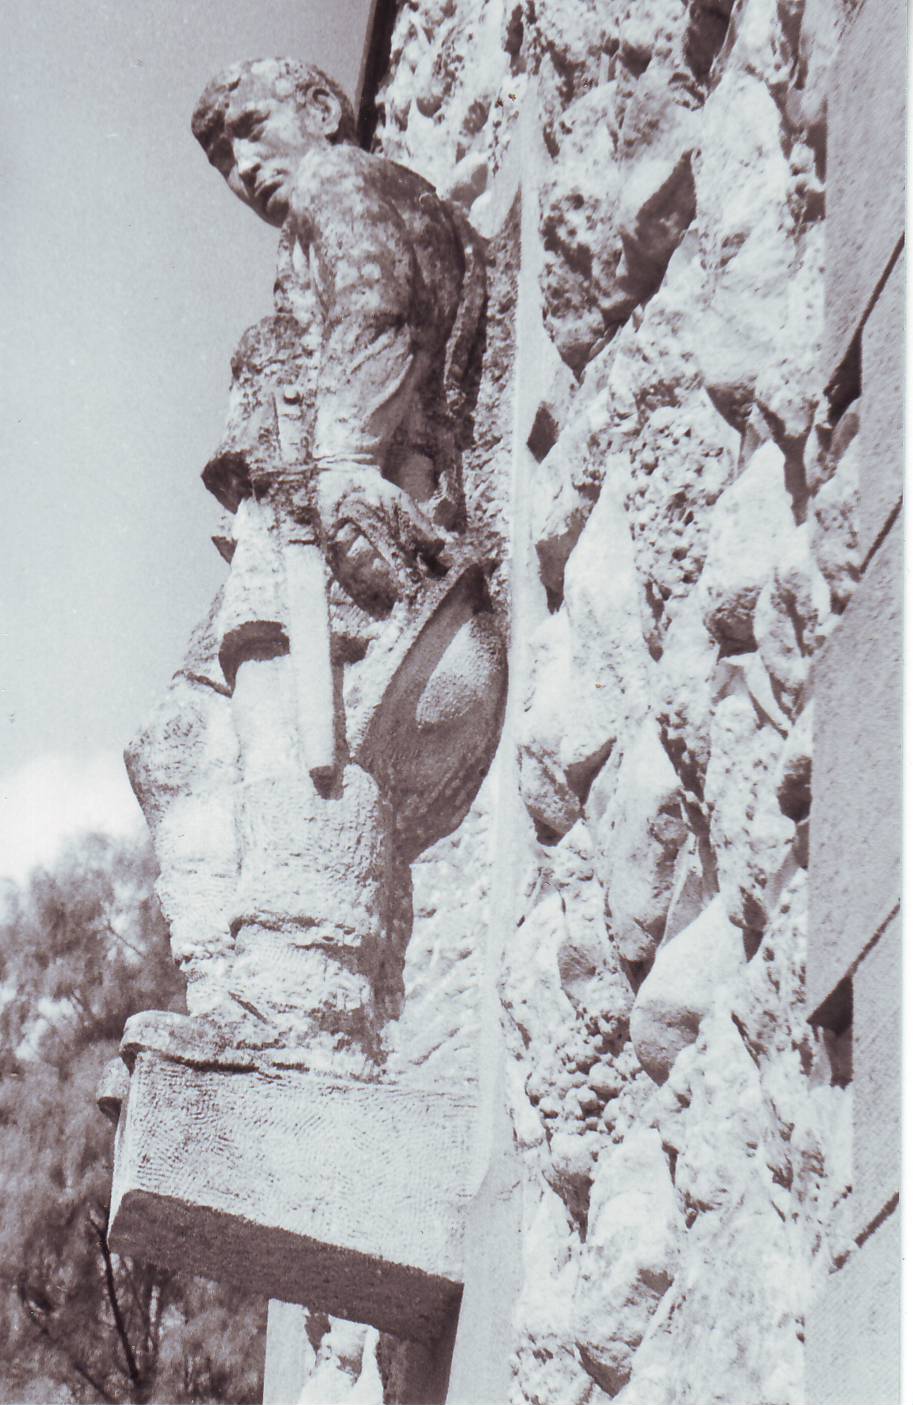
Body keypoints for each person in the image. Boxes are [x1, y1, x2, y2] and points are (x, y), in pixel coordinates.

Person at [191, 56, 484, 615]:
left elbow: (376, 304)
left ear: (321, 111)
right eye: (224, 160)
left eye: (252, 130)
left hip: (376, 481)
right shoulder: (319, 213)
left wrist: (345, 459)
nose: (245, 167)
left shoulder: (331, 176)